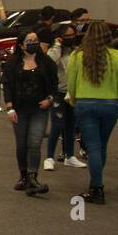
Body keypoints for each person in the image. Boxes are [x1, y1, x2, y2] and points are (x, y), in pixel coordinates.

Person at [67, 20, 118, 204]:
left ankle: (97, 188)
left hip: (85, 104)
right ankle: (95, 182)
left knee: (93, 147)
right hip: (110, 106)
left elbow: (71, 82)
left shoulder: (77, 56)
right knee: (101, 146)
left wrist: (74, 100)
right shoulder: (117, 56)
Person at [1, 29, 57, 195]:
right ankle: (23, 175)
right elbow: (7, 86)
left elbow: (55, 85)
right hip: (19, 109)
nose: (33, 43)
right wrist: (9, 107)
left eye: (35, 40)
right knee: (21, 143)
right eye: (29, 41)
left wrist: (50, 100)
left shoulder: (47, 62)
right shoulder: (12, 64)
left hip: (39, 109)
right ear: (21, 45)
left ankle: (33, 176)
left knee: (34, 142)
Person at [44, 23, 85, 170]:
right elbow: (48, 63)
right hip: (58, 93)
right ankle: (49, 157)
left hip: (72, 93)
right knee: (57, 124)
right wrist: (56, 46)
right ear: (60, 37)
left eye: (72, 35)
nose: (70, 38)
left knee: (71, 125)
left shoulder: (76, 51)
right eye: (67, 36)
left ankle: (70, 156)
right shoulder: (55, 51)